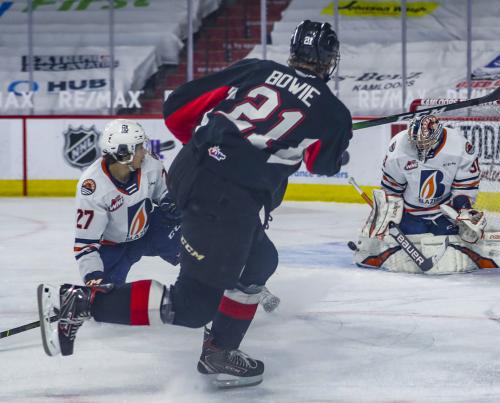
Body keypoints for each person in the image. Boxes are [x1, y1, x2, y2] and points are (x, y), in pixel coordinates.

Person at [37, 20, 352, 389]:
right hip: (225, 201)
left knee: (260, 260)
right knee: (192, 306)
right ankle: (82, 301)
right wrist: (340, 153)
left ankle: (220, 348)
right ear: (330, 60)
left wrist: (211, 149)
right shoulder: (333, 113)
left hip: (188, 171)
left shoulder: (260, 69)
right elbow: (322, 164)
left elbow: (177, 106)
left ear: (294, 52)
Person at [351, 114, 500, 274]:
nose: (420, 147)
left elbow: (465, 187)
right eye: (416, 143)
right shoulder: (398, 148)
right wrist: (385, 215)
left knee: (456, 238)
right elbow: (392, 189)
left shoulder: (459, 146)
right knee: (412, 238)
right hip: (410, 214)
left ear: (438, 135)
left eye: (425, 143)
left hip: (443, 213)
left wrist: (464, 211)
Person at [73, 118, 181, 287]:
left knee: (191, 240)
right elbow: (86, 245)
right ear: (124, 154)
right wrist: (93, 275)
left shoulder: (150, 165)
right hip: (113, 248)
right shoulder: (92, 188)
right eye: (139, 147)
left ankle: (204, 274)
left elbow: (165, 194)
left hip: (149, 232)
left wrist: (174, 203)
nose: (144, 152)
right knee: (106, 299)